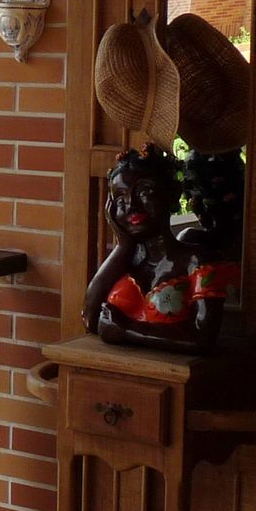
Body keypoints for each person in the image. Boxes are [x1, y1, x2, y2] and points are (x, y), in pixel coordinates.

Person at [82, 145, 238, 354]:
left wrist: (128, 330)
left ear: (172, 194)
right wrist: (123, 245)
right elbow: (90, 320)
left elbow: (203, 337)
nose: (131, 205)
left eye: (144, 191)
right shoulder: (126, 263)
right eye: (120, 198)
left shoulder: (197, 261)